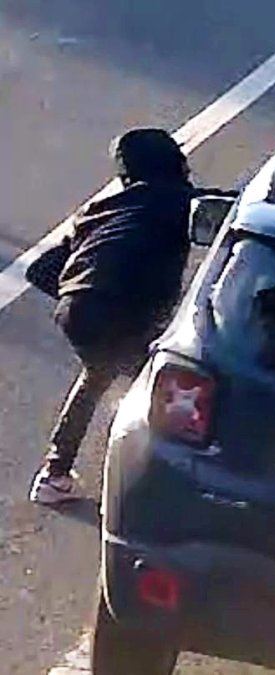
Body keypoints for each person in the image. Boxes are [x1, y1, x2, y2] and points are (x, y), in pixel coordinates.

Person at [29, 129, 200, 504]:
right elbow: (233, 209)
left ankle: (54, 474)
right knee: (170, 388)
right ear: (175, 163)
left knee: (97, 375)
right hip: (121, 314)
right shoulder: (179, 201)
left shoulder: (103, 209)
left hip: (77, 313)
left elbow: (40, 270)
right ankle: (149, 487)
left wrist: (83, 297)